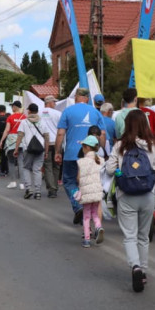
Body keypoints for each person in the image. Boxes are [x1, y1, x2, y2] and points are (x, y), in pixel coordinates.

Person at [106, 110, 155, 291]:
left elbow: (109, 170)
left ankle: (135, 266)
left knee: (129, 236)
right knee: (143, 236)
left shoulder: (120, 145)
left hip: (126, 195)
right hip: (147, 195)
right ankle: (144, 270)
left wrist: (120, 172)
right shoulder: (151, 145)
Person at [55, 88, 105, 226]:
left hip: (71, 154)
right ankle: (92, 215)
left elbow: (60, 133)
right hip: (91, 155)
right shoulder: (95, 112)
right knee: (89, 183)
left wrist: (57, 152)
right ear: (88, 99)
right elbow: (103, 134)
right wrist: (100, 150)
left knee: (70, 181)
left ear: (76, 97)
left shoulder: (68, 111)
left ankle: (78, 206)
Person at [15, 103, 51, 199]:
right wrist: (46, 151)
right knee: (37, 169)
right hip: (40, 149)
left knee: (26, 167)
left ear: (29, 111)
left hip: (28, 149)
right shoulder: (42, 122)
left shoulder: (24, 122)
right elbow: (47, 137)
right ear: (37, 111)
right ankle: (38, 192)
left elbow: (20, 136)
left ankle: (29, 189)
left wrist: (16, 149)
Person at [75, 135, 105, 247]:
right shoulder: (101, 160)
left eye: (83, 146)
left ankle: (87, 239)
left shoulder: (81, 161)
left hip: (87, 192)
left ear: (87, 147)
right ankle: (98, 227)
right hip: (97, 191)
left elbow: (78, 178)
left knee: (86, 216)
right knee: (95, 214)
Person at [39, 96, 62, 197]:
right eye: (54, 102)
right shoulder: (58, 114)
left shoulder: (39, 113)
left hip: (45, 143)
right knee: (56, 165)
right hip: (57, 142)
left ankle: (51, 188)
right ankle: (55, 187)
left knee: (47, 166)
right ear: (48, 102)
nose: (55, 104)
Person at [1, 101, 26, 189]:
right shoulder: (24, 117)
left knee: (11, 161)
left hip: (11, 141)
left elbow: (7, 130)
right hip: (22, 140)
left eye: (12, 106)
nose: (12, 108)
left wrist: (1, 141)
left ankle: (13, 181)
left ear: (15, 107)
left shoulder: (10, 117)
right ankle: (22, 183)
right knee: (21, 162)